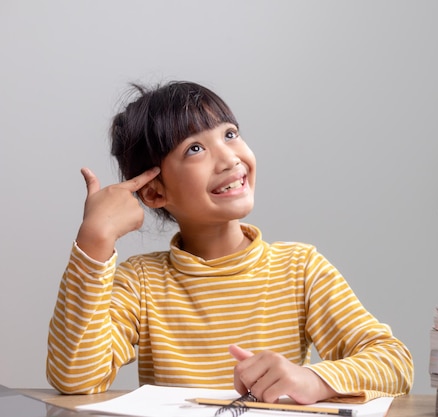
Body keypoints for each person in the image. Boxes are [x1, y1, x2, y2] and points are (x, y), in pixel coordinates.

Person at [46, 81, 414, 404]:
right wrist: (95, 240)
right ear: (155, 192)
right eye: (194, 149)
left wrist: (314, 379)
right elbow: (75, 379)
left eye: (230, 134)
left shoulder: (300, 268)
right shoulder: (141, 282)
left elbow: (394, 363)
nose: (229, 158)